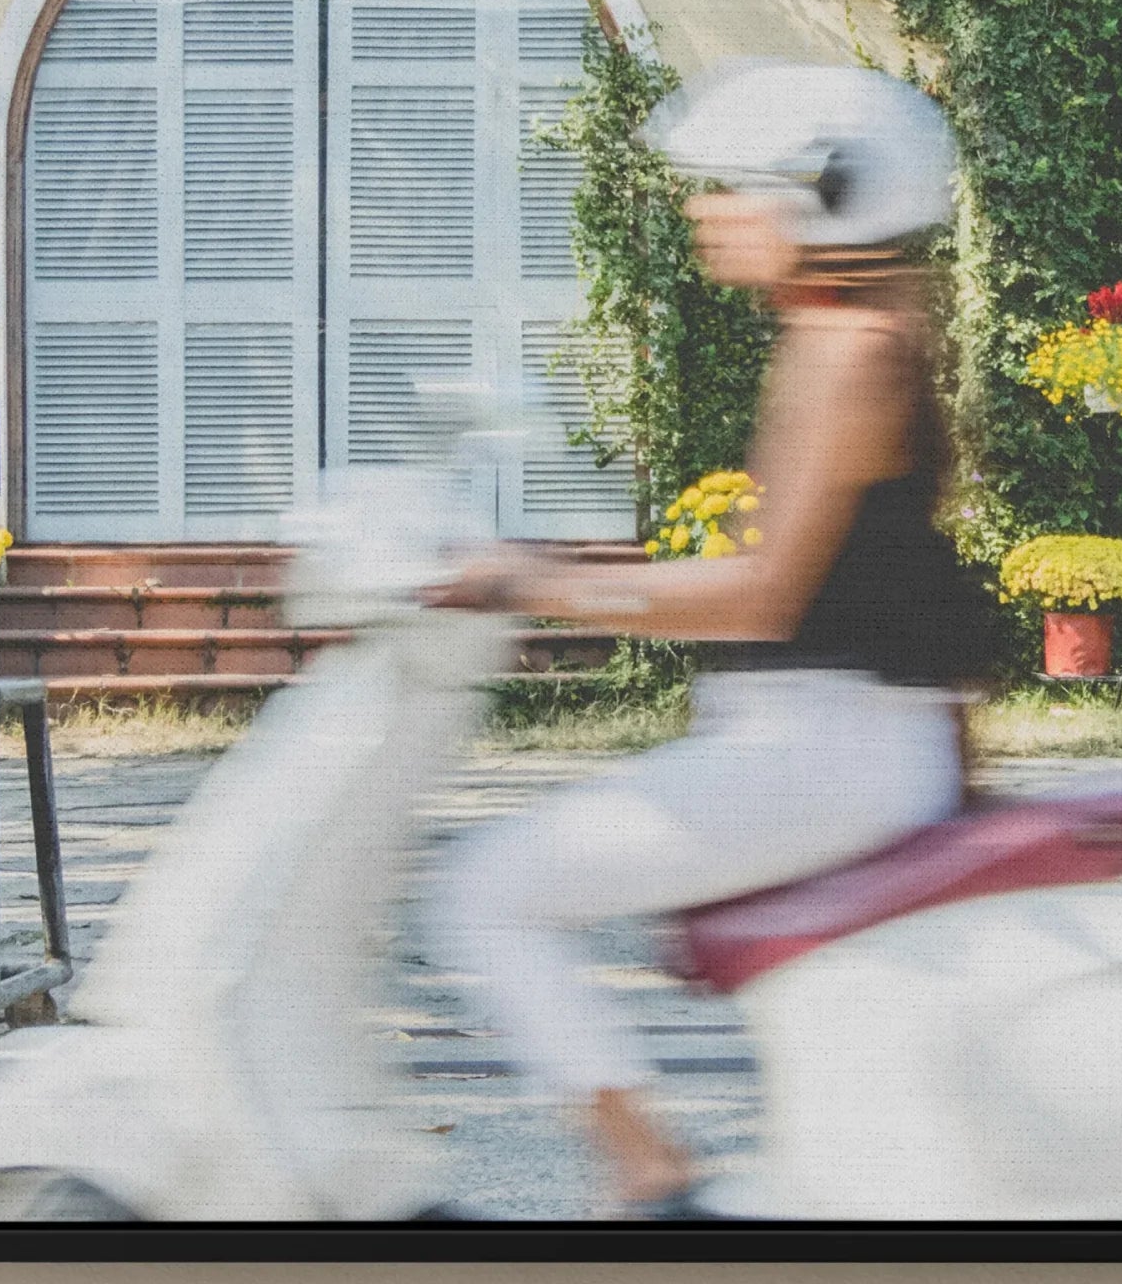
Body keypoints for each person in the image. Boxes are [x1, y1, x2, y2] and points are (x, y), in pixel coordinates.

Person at [425, 61, 997, 1213]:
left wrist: (537, 583)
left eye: (726, 187)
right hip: (827, 743)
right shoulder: (849, 339)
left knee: (482, 891)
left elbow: (759, 597)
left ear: (817, 196)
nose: (701, 209)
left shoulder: (845, 355)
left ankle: (649, 1176)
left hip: (822, 752)